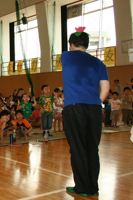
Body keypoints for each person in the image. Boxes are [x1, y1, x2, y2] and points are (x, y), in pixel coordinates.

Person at [61, 27, 110, 197]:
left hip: (75, 108)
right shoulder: (99, 63)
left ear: (71, 45)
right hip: (95, 108)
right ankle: (93, 187)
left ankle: (82, 187)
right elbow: (105, 89)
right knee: (92, 148)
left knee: (77, 148)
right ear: (87, 45)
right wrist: (96, 102)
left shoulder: (66, 56)